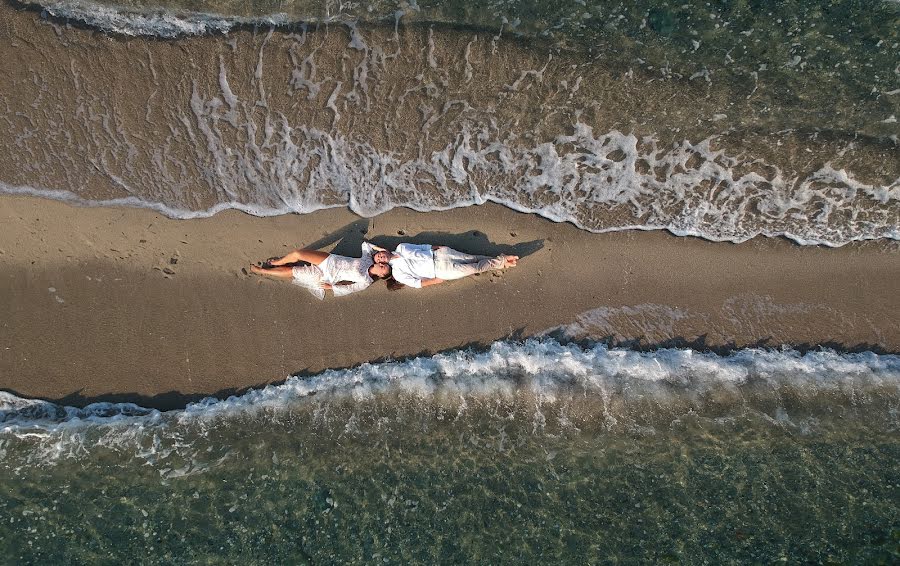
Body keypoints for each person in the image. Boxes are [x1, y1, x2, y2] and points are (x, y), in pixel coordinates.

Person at [249, 242, 390, 299]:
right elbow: (366, 245)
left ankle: (263, 271)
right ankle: (277, 262)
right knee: (298, 254)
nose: (382, 265)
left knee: (293, 271)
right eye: (384, 264)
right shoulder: (368, 259)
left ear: (380, 275)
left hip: (326, 276)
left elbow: (351, 288)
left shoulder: (366, 281)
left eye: (383, 268)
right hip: (329, 260)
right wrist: (384, 252)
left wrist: (332, 288)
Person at [377, 243, 517, 289]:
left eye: (379, 254)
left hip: (440, 254)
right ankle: (502, 261)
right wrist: (435, 281)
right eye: (379, 259)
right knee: (474, 268)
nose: (381, 257)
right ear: (383, 263)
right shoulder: (397, 273)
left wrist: (437, 247)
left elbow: (421, 246)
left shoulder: (401, 247)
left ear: (383, 250)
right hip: (440, 270)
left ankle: (502, 262)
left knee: (472, 258)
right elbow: (416, 283)